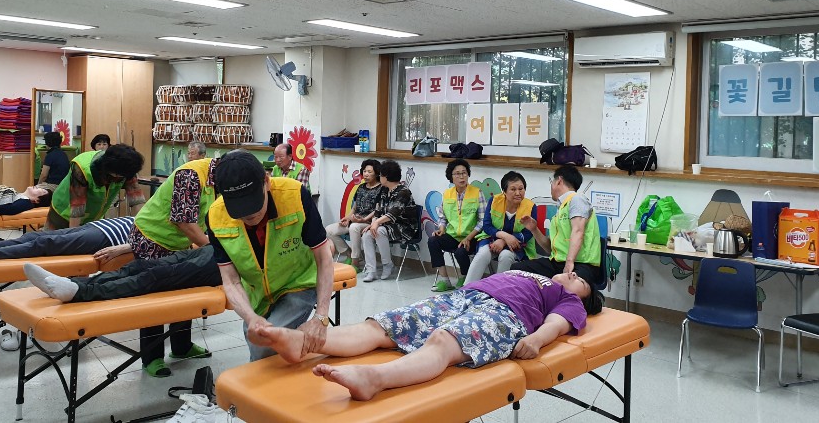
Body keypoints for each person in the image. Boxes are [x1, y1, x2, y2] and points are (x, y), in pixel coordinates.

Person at [251, 269, 604, 401]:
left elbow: (556, 324)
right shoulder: (532, 270)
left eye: (582, 281)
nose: (573, 277)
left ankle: (375, 379)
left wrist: (536, 341)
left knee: (444, 342)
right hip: (463, 297)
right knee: (386, 325)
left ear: (583, 295)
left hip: (505, 316)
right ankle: (305, 343)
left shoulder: (569, 300)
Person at [81, 157, 218, 377]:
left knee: (182, 290)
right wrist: (209, 249)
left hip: (177, 241)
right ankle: (152, 357)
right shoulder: (191, 175)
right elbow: (182, 221)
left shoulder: (215, 180)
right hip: (152, 236)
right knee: (154, 294)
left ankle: (182, 347)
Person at [207, 149, 332, 362]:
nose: (250, 215)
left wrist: (321, 317)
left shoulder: (295, 195)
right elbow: (231, 280)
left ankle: (271, 391)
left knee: (265, 347)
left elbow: (324, 257)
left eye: (254, 204)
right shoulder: (216, 216)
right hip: (258, 293)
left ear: (266, 180)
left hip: (298, 283)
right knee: (259, 339)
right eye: (240, 209)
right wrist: (251, 317)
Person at [23, 246, 222, 376]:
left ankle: (80, 291)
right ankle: (71, 283)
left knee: (156, 277)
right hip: (214, 247)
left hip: (228, 258)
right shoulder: (200, 183)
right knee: (141, 266)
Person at [513, 165, 602, 286]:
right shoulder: (559, 211)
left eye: (552, 182)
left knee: (567, 285)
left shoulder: (577, 199)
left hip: (582, 265)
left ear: (558, 180)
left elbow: (578, 231)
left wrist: (569, 263)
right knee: (516, 270)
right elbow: (550, 249)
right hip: (558, 263)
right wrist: (534, 229)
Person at [0, 216, 134, 261]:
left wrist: (123, 248)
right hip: (100, 225)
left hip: (109, 237)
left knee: (44, 243)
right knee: (33, 235)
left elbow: (160, 243)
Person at [44, 144, 145, 230]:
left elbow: (137, 200)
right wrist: (73, 236)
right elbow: (77, 207)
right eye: (120, 175)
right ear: (109, 169)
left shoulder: (126, 168)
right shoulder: (82, 168)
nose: (123, 178)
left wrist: (140, 230)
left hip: (93, 217)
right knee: (53, 244)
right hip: (63, 212)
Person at [464, 172, 536, 286]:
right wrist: (504, 236)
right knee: (483, 253)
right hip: (492, 239)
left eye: (521, 189)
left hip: (518, 245)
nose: (518, 193)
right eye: (513, 189)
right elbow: (487, 226)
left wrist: (504, 240)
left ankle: (498, 292)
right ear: (504, 191)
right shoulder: (494, 201)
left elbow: (528, 233)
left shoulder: (530, 206)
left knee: (506, 256)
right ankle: (466, 289)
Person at [428, 159, 488, 292]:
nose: (461, 177)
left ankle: (464, 278)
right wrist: (441, 229)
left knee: (461, 251)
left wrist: (469, 237)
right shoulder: (447, 194)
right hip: (453, 235)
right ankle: (445, 280)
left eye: (464, 173)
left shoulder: (477, 193)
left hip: (473, 236)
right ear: (451, 177)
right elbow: (443, 217)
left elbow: (483, 221)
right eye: (457, 174)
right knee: (433, 241)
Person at [360, 160, 416, 283]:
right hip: (387, 225)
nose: (379, 177)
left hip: (404, 228)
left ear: (386, 177)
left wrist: (376, 223)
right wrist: (373, 222)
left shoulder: (403, 192)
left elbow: (393, 213)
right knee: (367, 234)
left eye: (381, 175)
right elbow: (378, 210)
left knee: (379, 230)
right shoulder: (384, 190)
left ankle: (387, 264)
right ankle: (371, 270)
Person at [325, 159, 382, 267]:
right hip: (356, 220)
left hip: (370, 222)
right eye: (364, 171)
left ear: (376, 173)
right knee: (329, 230)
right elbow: (355, 208)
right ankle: (349, 254)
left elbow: (378, 210)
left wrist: (364, 220)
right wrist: (347, 218)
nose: (366, 174)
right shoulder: (361, 187)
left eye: (369, 172)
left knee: (354, 227)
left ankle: (355, 262)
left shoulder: (381, 189)